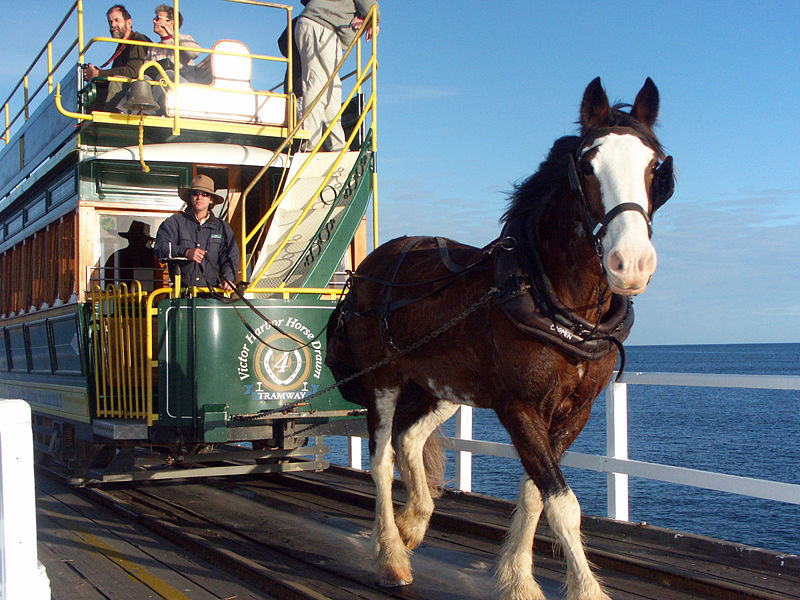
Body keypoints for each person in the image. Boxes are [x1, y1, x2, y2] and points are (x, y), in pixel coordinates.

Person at [295, 0, 379, 151]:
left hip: (320, 28)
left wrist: (363, 17)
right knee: (317, 86)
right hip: (322, 28)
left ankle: (336, 145)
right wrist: (374, 19)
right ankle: (308, 144)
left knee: (332, 90)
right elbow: (369, 4)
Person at [153, 175, 240, 290]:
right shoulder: (174, 222)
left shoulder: (223, 228)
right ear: (190, 197)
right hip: (181, 295)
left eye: (204, 194)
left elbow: (230, 256)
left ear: (211, 199)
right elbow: (160, 248)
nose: (199, 197)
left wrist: (228, 278)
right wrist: (186, 252)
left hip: (214, 296)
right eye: (195, 193)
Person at [82, 5, 152, 111]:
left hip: (140, 91)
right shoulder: (122, 45)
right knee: (95, 86)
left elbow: (132, 71)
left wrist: (99, 74)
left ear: (128, 23)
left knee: (116, 81)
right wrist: (94, 75)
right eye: (110, 22)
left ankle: (109, 118)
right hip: (128, 88)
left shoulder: (138, 40)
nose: (113, 25)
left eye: (116, 20)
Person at [103, 221, 163, 290]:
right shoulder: (155, 257)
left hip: (125, 298)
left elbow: (108, 284)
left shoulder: (117, 256)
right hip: (127, 298)